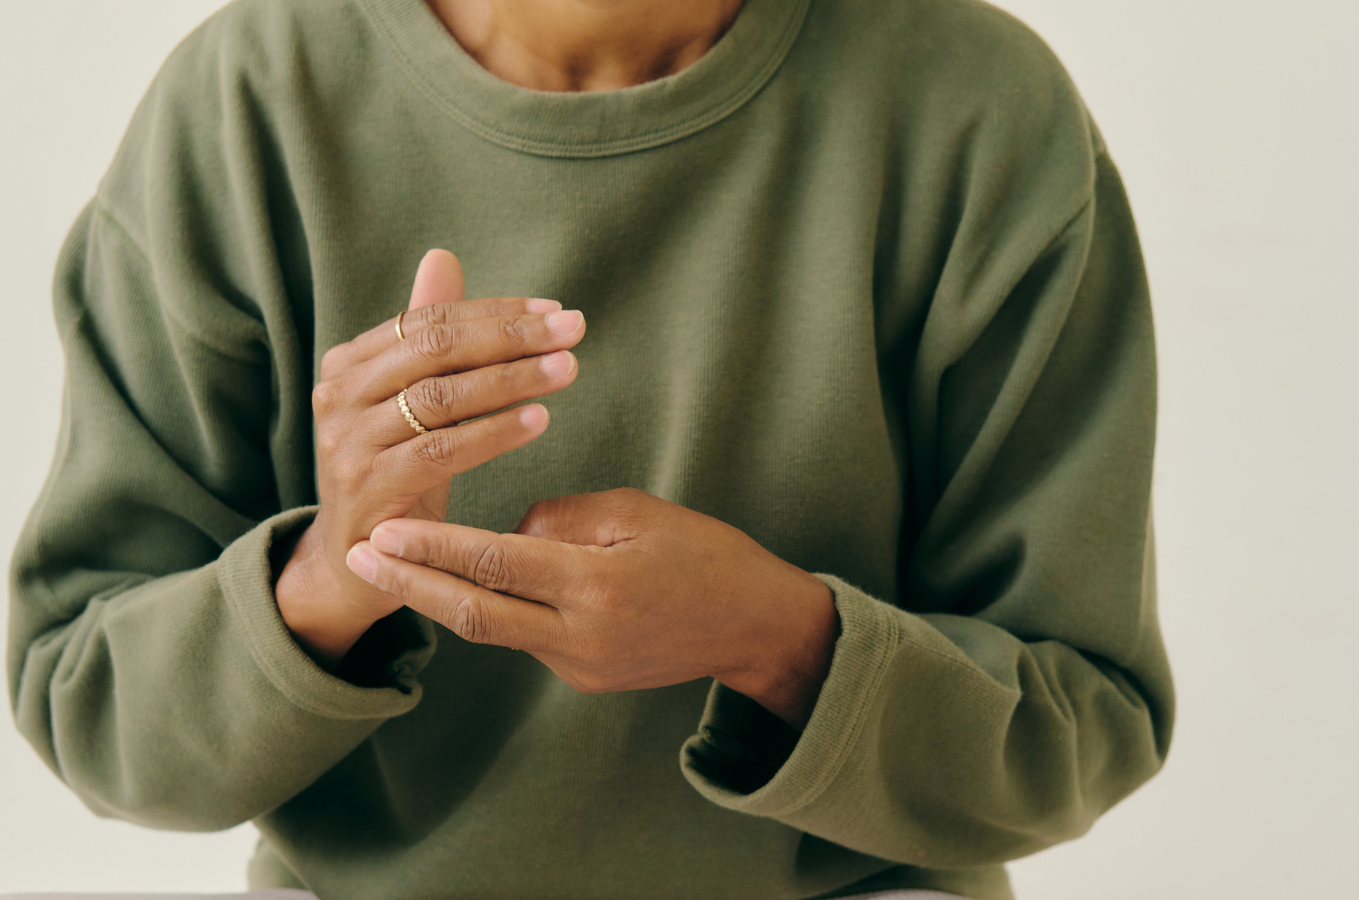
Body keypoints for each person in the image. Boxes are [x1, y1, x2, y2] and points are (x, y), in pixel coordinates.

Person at [6, 0, 1174, 897]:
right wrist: (330, 570)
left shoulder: (975, 109)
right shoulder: (247, 105)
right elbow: (93, 716)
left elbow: (1084, 724)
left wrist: (773, 638)